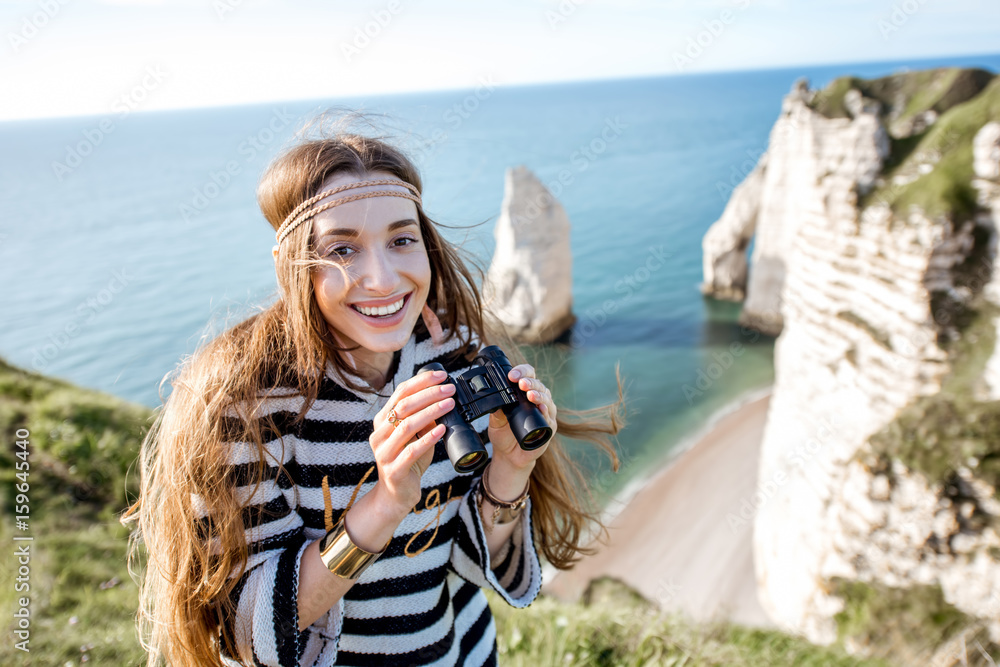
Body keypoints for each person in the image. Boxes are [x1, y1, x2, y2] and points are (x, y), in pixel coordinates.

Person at [122, 114, 624, 667]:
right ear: (291, 265)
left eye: (401, 239)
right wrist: (384, 504)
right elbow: (247, 633)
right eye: (342, 250)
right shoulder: (244, 408)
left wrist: (509, 471)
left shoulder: (452, 355)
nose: (383, 279)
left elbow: (476, 567)